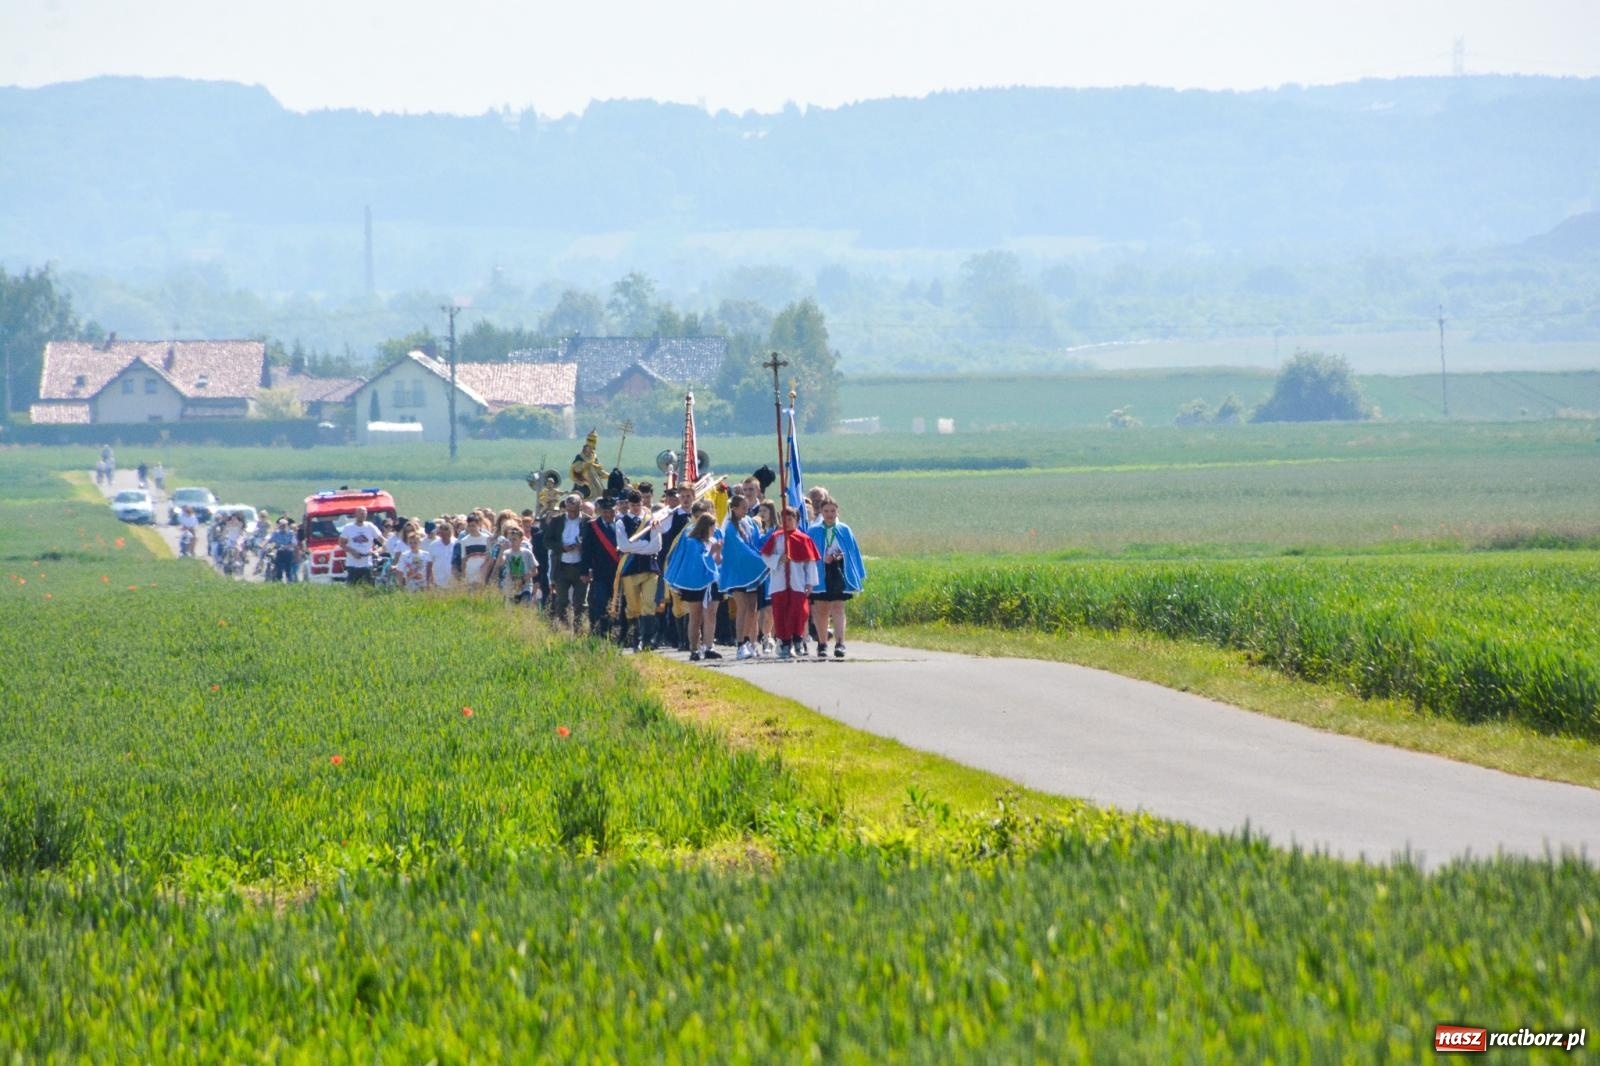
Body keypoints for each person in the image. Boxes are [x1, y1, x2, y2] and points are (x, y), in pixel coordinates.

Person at [808, 498, 866, 659]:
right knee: (821, 609)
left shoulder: (844, 530)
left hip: (839, 571)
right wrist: (821, 560)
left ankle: (840, 643)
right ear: (821, 512)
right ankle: (822, 643)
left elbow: (851, 551)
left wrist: (835, 556)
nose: (829, 515)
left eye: (832, 511)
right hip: (820, 572)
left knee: (838, 608)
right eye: (826, 511)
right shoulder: (813, 531)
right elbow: (809, 553)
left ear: (837, 512)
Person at [761, 506, 820, 660]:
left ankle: (797, 638)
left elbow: (810, 562)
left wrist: (810, 582)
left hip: (797, 582)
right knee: (780, 612)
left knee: (799, 611)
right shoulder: (776, 537)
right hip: (780, 582)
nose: (786, 522)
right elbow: (766, 557)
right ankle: (785, 641)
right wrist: (778, 559)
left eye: (790, 519)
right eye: (784, 519)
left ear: (797, 520)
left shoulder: (804, 539)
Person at [665, 512, 723, 661]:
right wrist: (712, 552)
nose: (714, 529)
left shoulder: (713, 539)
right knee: (695, 615)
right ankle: (694, 648)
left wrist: (717, 553)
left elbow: (717, 563)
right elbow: (698, 561)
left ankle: (709, 646)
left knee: (711, 614)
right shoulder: (692, 542)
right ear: (706, 527)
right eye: (712, 527)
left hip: (712, 582)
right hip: (695, 584)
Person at [719, 493, 768, 660]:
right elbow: (740, 550)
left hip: (751, 572)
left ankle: (752, 642)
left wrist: (772, 535)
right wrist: (761, 562)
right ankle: (740, 643)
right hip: (738, 573)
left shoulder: (749, 523)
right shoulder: (730, 527)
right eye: (743, 508)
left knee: (753, 609)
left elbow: (756, 542)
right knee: (743, 608)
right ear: (734, 508)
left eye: (747, 508)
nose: (746, 511)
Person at [615, 488, 664, 651]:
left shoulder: (652, 520)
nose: (636, 507)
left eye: (638, 504)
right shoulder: (621, 522)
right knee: (633, 607)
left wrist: (636, 546)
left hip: (650, 567)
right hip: (630, 568)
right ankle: (636, 640)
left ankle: (647, 641)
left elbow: (656, 546)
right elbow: (623, 546)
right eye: (633, 504)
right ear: (628, 505)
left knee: (649, 604)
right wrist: (644, 545)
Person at [543, 494, 588, 631]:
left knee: (579, 602)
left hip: (580, 567)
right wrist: (562, 547)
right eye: (569, 510)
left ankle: (579, 631)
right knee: (561, 601)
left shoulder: (588, 521)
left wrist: (582, 547)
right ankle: (563, 629)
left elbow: (593, 544)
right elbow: (547, 541)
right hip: (561, 567)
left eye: (574, 510)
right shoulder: (557, 521)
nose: (571, 513)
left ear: (580, 506)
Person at [581, 496, 622, 641]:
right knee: (600, 603)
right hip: (600, 571)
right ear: (600, 511)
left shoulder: (621, 524)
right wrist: (584, 571)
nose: (608, 515)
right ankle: (600, 632)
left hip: (618, 572)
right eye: (605, 512)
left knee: (617, 604)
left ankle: (617, 634)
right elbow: (586, 550)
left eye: (611, 511)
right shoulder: (593, 526)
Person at [487, 523, 538, 604]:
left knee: (523, 607)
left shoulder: (527, 553)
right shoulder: (506, 553)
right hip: (510, 586)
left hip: (525, 586)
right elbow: (500, 563)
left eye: (514, 539)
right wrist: (502, 550)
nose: (512, 542)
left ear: (521, 540)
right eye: (510, 539)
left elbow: (535, 571)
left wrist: (523, 579)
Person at [338, 506, 385, 586]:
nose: (362, 515)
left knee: (369, 587)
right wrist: (352, 551)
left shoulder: (370, 526)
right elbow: (341, 543)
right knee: (352, 587)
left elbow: (383, 541)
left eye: (364, 513)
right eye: (360, 513)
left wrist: (377, 552)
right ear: (355, 514)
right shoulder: (348, 528)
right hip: (352, 564)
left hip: (367, 564)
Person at [455, 512, 494, 585]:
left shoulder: (486, 538)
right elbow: (463, 559)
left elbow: (489, 557)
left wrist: (487, 571)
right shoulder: (464, 540)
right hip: (470, 572)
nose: (471, 528)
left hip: (483, 572)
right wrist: (463, 576)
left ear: (479, 525)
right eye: (469, 526)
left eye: (473, 526)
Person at [393, 527, 434, 591]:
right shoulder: (404, 555)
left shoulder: (426, 554)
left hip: (424, 584)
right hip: (410, 585)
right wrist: (400, 585)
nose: (413, 545)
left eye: (415, 542)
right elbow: (400, 571)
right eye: (410, 543)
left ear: (419, 543)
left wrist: (431, 583)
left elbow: (430, 570)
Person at [426, 518, 457, 590]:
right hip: (438, 583)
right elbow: (429, 564)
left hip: (454, 582)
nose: (444, 537)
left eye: (447, 535)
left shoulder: (456, 544)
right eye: (442, 535)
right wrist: (429, 580)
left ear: (451, 533)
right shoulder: (433, 545)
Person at [267, 516, 299, 583]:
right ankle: (278, 579)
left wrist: (287, 546)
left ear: (287, 526)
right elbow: (270, 540)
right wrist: (268, 546)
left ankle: (289, 581)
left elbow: (294, 543)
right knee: (279, 567)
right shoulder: (276, 533)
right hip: (279, 552)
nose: (282, 527)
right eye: (281, 526)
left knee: (288, 568)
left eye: (284, 526)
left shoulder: (291, 533)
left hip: (288, 553)